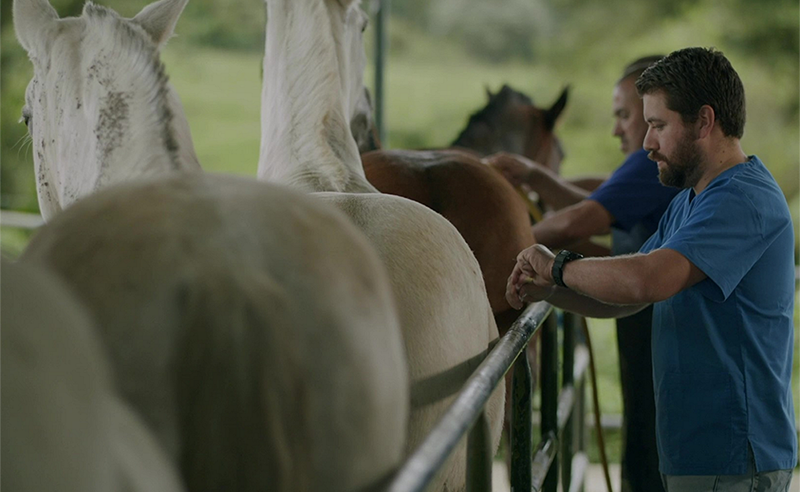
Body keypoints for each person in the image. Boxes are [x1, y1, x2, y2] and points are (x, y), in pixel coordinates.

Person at [508, 47, 796, 492]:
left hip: (735, 454)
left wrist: (557, 265)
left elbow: (647, 278)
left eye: (659, 125)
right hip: (695, 450)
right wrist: (548, 290)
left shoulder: (744, 199)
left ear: (704, 121)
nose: (646, 142)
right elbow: (630, 298)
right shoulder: (690, 200)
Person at [488, 55, 678, 492]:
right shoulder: (653, 168)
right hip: (650, 326)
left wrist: (501, 244)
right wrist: (537, 175)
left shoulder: (650, 163)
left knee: (648, 442)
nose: (619, 129)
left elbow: (577, 221)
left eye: (627, 116)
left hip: (653, 329)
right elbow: (602, 194)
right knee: (646, 437)